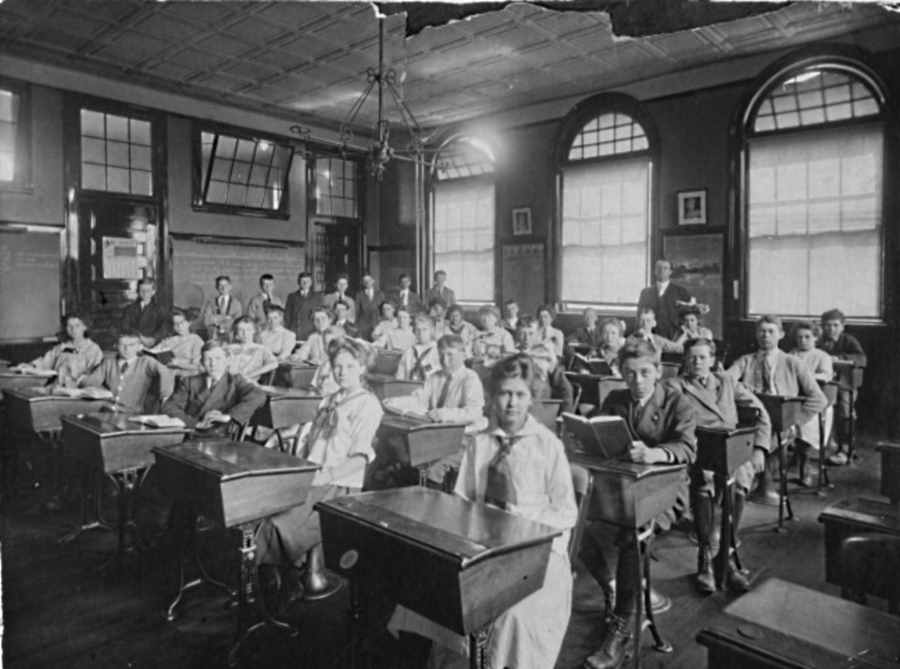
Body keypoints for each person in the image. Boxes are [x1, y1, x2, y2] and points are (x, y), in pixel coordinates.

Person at [388, 354, 576, 669]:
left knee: (512, 617)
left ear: (531, 399)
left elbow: (566, 512)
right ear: (492, 396)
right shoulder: (480, 443)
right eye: (505, 394)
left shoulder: (548, 446)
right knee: (427, 592)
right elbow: (462, 499)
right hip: (482, 544)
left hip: (536, 552)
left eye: (520, 395)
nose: (512, 403)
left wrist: (523, 521)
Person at [580, 340, 696, 669]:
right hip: (620, 485)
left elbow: (689, 449)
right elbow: (597, 433)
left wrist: (656, 453)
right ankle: (612, 586)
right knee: (571, 522)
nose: (637, 381)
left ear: (658, 372)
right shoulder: (616, 398)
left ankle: (620, 629)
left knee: (635, 533)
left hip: (666, 489)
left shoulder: (678, 403)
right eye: (629, 374)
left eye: (645, 373)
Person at [255, 339, 382, 599]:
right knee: (261, 510)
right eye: (337, 366)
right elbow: (311, 442)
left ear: (361, 368)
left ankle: (277, 581)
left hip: (338, 483)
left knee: (278, 523)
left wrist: (326, 475)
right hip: (312, 476)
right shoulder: (329, 400)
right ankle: (278, 578)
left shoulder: (367, 405)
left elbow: (360, 458)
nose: (342, 372)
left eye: (349, 366)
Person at [667, 338, 770, 594]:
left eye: (703, 357)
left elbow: (761, 413)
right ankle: (705, 558)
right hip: (699, 452)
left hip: (731, 450)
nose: (697, 362)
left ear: (713, 360)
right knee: (704, 480)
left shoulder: (727, 382)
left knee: (740, 482)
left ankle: (727, 555)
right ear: (685, 361)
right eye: (692, 357)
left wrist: (759, 448)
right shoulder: (675, 386)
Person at [727, 315, 827, 504]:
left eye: (771, 331)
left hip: (781, 422)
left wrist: (796, 422)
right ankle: (739, 489)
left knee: (769, 440)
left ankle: (751, 487)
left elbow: (819, 399)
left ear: (780, 335)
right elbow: (727, 380)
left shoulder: (793, 362)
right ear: (756, 334)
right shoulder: (746, 360)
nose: (765, 336)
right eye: (761, 331)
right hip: (752, 419)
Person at [383, 334, 487, 486]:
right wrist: (395, 402)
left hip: (464, 437)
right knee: (399, 450)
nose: (445, 360)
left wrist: (444, 414)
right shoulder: (435, 377)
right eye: (441, 355)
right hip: (437, 435)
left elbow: (473, 413)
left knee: (432, 466)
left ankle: (430, 501)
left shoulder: (470, 378)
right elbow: (419, 400)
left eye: (450, 355)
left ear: (463, 355)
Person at [162, 341, 267, 435]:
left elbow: (259, 395)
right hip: (190, 432)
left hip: (220, 437)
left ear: (227, 361)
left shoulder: (235, 381)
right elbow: (169, 407)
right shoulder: (189, 381)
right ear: (202, 362)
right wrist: (195, 424)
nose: (213, 364)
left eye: (218, 358)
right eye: (208, 360)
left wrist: (229, 416)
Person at [817, 308, 867, 466]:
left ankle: (845, 449)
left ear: (842, 326)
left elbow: (861, 359)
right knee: (821, 410)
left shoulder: (849, 340)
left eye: (835, 325)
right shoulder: (819, 341)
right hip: (826, 384)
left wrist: (839, 358)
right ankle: (821, 445)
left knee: (845, 412)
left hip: (846, 384)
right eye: (827, 325)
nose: (830, 329)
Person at [82, 331, 175, 413]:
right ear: (116, 346)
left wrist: (164, 395)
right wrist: (81, 379)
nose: (126, 349)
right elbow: (92, 382)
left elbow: (164, 371)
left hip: (132, 412)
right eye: (122, 345)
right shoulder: (109, 362)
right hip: (107, 410)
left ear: (139, 347)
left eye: (131, 345)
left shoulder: (146, 361)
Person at [789, 321, 833, 486]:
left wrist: (806, 377)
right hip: (795, 398)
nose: (803, 340)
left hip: (815, 402)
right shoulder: (791, 354)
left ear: (816, 337)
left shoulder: (822, 356)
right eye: (799, 337)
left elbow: (826, 376)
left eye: (807, 337)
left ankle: (805, 469)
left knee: (806, 430)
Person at [13, 314, 103, 387]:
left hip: (76, 391)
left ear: (85, 327)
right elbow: (45, 361)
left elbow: (94, 377)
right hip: (55, 387)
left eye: (77, 325)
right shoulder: (61, 347)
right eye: (69, 326)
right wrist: (31, 365)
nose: (73, 329)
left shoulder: (93, 350)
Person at [636, 259, 693, 340]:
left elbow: (690, 317)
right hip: (651, 339)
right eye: (658, 268)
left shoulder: (681, 292)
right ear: (655, 271)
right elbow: (639, 317)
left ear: (670, 272)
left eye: (665, 268)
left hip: (675, 339)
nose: (661, 271)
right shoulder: (645, 293)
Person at [148, 309, 204, 375]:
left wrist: (178, 363)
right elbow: (152, 352)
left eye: (181, 322)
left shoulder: (196, 340)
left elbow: (198, 367)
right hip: (166, 371)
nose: (179, 326)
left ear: (188, 323)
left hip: (185, 375)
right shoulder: (169, 340)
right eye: (175, 324)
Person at [225, 316, 279, 383]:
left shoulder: (261, 348)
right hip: (228, 382)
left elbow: (274, 363)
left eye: (248, 329)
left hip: (248, 383)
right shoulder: (229, 348)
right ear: (236, 332)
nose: (245, 333)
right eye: (241, 330)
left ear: (254, 330)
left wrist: (251, 374)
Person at [121, 278, 167, 347]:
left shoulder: (160, 309)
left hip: (153, 344)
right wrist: (140, 337)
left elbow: (164, 327)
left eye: (148, 290)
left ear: (153, 292)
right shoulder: (129, 309)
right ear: (138, 291)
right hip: (133, 343)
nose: (145, 293)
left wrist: (154, 338)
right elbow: (125, 326)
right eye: (142, 290)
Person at [396, 314, 440, 381]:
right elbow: (400, 377)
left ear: (432, 330)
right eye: (418, 330)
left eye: (424, 329)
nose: (421, 333)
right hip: (409, 388)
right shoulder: (408, 352)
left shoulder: (438, 351)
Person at [201, 275, 243, 341]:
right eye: (220, 285)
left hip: (231, 337)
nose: (223, 288)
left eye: (226, 285)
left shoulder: (236, 303)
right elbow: (206, 320)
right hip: (214, 336)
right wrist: (226, 318)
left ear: (230, 287)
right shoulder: (211, 303)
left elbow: (237, 322)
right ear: (216, 287)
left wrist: (216, 318)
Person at [284, 271, 322, 340]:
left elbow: (320, 316)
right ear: (298, 282)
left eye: (307, 281)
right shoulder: (292, 296)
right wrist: (288, 331)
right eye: (303, 281)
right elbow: (287, 316)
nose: (305, 283)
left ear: (311, 282)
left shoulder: (317, 297)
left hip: (311, 331)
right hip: (295, 331)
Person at [354, 273, 384, 340]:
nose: (367, 282)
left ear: (373, 281)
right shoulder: (359, 294)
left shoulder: (380, 294)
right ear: (363, 283)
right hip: (363, 326)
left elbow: (383, 310)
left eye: (369, 280)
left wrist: (381, 323)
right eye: (365, 281)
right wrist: (357, 325)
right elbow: (357, 311)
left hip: (376, 324)